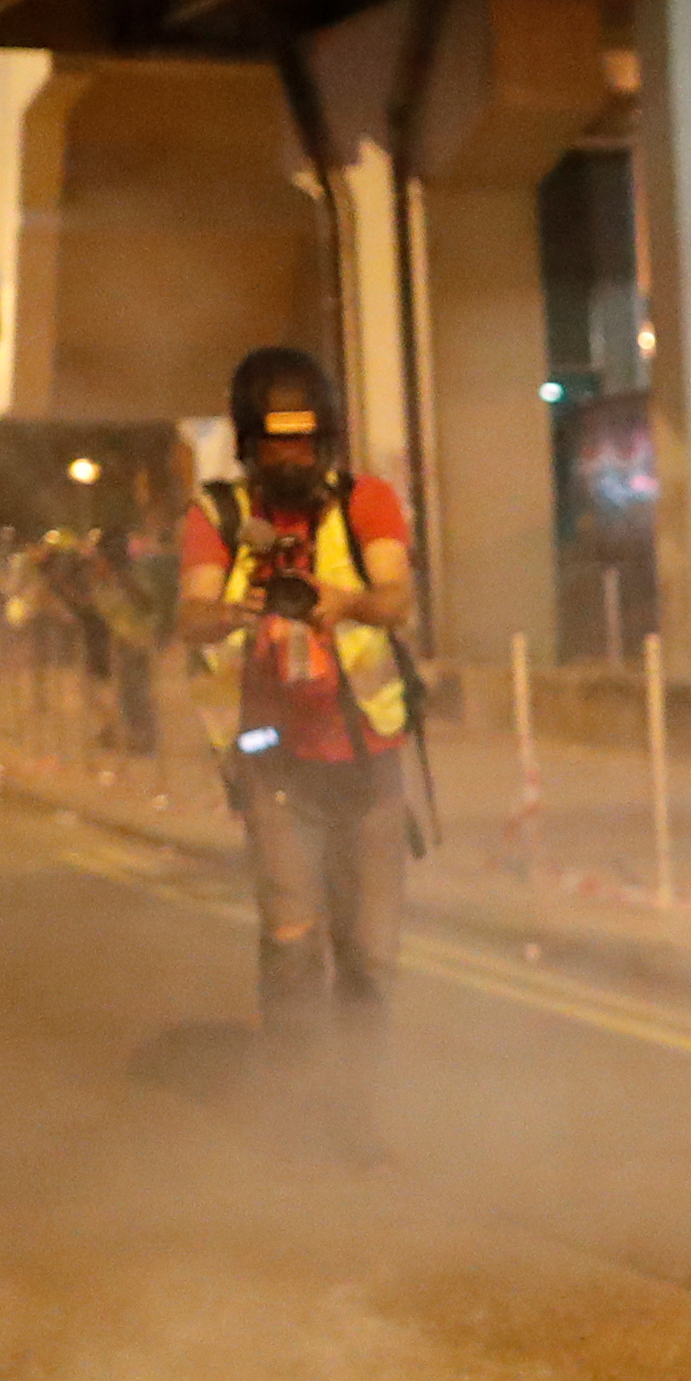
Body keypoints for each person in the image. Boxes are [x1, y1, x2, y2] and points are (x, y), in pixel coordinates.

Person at [175, 347, 419, 1124]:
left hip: (370, 766)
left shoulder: (367, 502)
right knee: (290, 939)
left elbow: (396, 597)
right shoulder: (217, 516)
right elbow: (190, 613)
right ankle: (290, 1106)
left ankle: (359, 1108)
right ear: (250, 440)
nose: (293, 454)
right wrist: (243, 609)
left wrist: (343, 602)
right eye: (277, 440)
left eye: (306, 438)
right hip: (272, 765)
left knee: (371, 956)